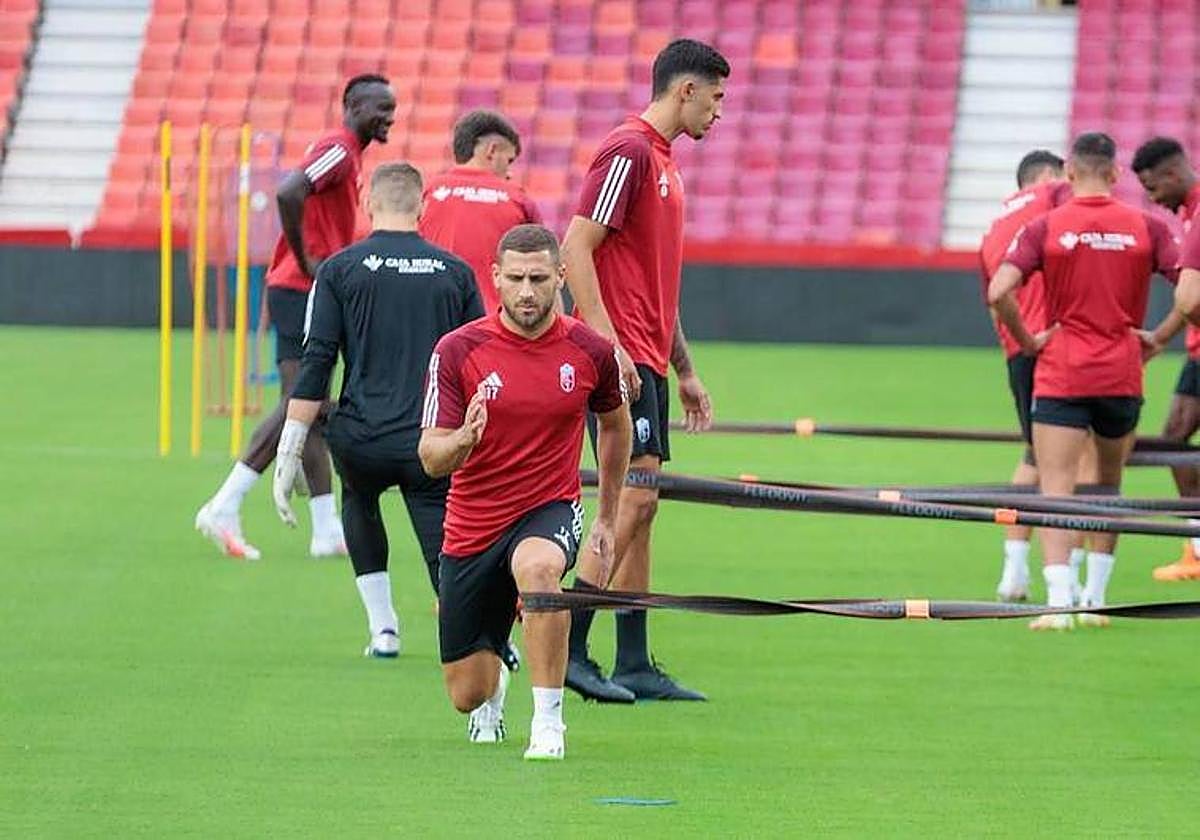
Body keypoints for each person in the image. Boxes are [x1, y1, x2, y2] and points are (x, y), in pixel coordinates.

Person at [419, 224, 631, 760]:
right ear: (496, 278)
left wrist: (606, 518)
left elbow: (614, 425)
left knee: (539, 571)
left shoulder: (589, 351)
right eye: (515, 279)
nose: (528, 291)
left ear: (562, 277)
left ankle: (548, 724)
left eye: (539, 278)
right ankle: (497, 678)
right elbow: (429, 456)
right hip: (472, 524)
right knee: (467, 693)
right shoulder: (458, 350)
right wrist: (463, 441)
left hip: (549, 508)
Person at [559, 38, 729, 703]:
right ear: (685, 90)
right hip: (621, 359)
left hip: (647, 360)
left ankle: (632, 660)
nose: (718, 113)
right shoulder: (628, 150)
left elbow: (654, 281)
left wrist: (683, 368)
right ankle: (569, 646)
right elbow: (576, 244)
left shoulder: (660, 160)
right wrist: (610, 345)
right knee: (637, 496)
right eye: (715, 99)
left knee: (646, 508)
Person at [270, 163, 483, 657]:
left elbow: (317, 360)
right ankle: (474, 640)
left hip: (361, 438)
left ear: (368, 204)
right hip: (430, 440)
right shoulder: (455, 272)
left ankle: (383, 629)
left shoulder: (339, 269)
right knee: (443, 539)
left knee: (359, 502)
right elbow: (480, 359)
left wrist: (291, 447)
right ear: (422, 206)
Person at [195, 74, 397, 560]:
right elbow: (290, 191)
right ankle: (225, 502)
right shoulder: (341, 149)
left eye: (392, 108)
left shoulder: (348, 153)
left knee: (308, 407)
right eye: (380, 107)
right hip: (303, 288)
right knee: (300, 404)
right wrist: (309, 260)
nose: (389, 115)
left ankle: (326, 529)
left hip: (297, 288)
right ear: (352, 105)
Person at [988, 132, 1182, 630]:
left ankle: (1059, 602)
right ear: (1116, 175)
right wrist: (1158, 337)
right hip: (1122, 373)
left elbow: (999, 290)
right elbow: (1190, 292)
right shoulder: (1146, 226)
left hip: (1062, 372)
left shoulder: (1046, 225)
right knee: (1109, 486)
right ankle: (1096, 598)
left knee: (1056, 489)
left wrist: (1028, 340)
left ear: (1069, 175)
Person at [978, 150, 1072, 601]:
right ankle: (1072, 581)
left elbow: (995, 297)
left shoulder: (993, 226)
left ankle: (1013, 572)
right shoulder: (1054, 193)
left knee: (1034, 455)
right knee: (1076, 461)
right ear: (1050, 175)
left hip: (1018, 349)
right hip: (1056, 343)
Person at [1131, 137, 1200, 581]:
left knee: (1173, 443)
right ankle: (1196, 550)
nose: (1152, 199)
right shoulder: (1187, 215)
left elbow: (1190, 298)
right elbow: (1188, 297)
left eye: (1153, 189)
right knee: (1173, 440)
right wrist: (1160, 338)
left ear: (1173, 175)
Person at [419, 110, 542, 311]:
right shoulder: (517, 198)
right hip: (493, 326)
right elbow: (544, 270)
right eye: (509, 160)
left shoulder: (427, 193)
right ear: (492, 150)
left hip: (434, 319)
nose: (509, 173)